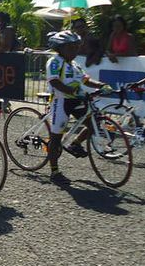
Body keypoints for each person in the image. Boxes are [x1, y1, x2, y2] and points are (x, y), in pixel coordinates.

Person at [45, 30, 109, 182]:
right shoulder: (54, 62)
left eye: (76, 47)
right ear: (60, 48)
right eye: (71, 48)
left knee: (94, 124)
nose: (75, 51)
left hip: (76, 100)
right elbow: (53, 81)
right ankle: (54, 171)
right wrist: (70, 90)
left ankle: (75, 143)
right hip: (60, 101)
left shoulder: (74, 65)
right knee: (55, 139)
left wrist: (101, 85)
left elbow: (86, 80)